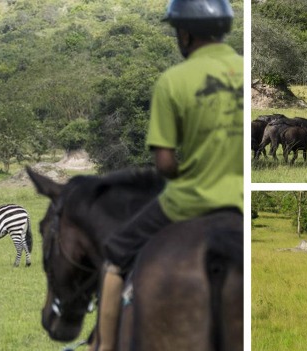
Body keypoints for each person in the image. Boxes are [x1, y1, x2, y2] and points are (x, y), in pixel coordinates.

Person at [94, 0, 242, 348]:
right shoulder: (244, 69)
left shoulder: (173, 80)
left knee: (115, 256)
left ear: (185, 34)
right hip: (241, 202)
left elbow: (164, 164)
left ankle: (103, 345)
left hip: (186, 201)